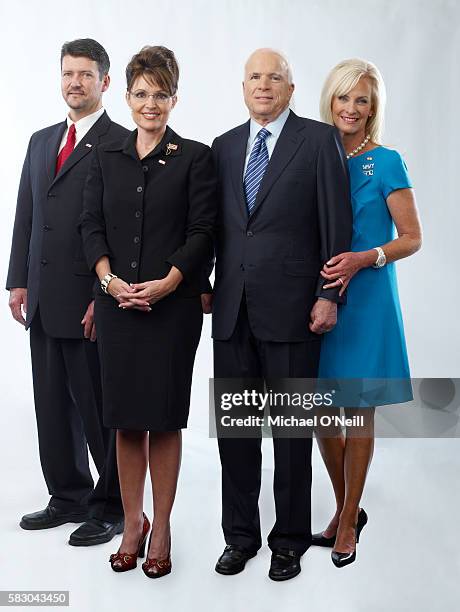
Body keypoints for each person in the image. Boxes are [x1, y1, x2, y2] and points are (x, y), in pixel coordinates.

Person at [209, 48, 352, 581]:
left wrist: (329, 295)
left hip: (297, 312)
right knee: (237, 434)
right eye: (254, 78)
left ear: (291, 89)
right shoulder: (223, 148)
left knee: (292, 435)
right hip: (232, 314)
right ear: (243, 87)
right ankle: (239, 538)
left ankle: (289, 540)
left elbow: (337, 228)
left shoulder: (318, 141)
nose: (263, 86)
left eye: (275, 78)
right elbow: (214, 229)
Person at [80, 45, 216, 578]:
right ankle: (131, 523)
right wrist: (111, 282)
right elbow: (90, 226)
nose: (150, 103)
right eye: (141, 93)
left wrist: (167, 283)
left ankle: (161, 526)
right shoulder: (106, 156)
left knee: (162, 420)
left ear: (175, 98)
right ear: (128, 96)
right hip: (115, 307)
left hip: (172, 308)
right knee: (125, 421)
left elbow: (204, 231)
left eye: (161, 94)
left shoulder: (195, 157)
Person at [6, 39, 128, 546]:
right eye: (67, 73)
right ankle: (68, 495)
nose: (74, 82)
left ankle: (115, 505)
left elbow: (122, 231)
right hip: (42, 297)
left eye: (85, 74)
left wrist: (102, 297)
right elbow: (26, 215)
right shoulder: (40, 141)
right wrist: (18, 280)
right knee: (52, 405)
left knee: (100, 409)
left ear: (104, 82)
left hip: (88, 303)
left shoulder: (121, 142)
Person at [313, 58, 422, 568]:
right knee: (318, 415)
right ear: (329, 100)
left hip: (369, 297)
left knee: (356, 412)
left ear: (373, 107)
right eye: (343, 97)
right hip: (320, 296)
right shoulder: (314, 153)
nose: (351, 108)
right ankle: (345, 505)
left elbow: (412, 238)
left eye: (362, 99)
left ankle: (348, 517)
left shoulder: (388, 160)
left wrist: (366, 257)